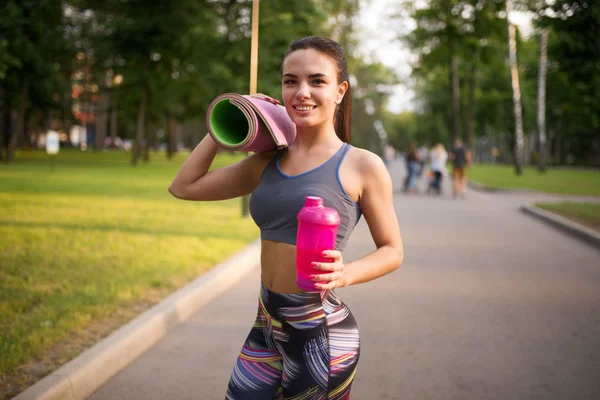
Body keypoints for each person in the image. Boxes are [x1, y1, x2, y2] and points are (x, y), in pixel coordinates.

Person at [168, 36, 404, 399]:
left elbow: (392, 250)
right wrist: (228, 123)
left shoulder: (362, 165)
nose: (301, 92)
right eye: (290, 80)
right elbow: (184, 186)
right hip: (267, 324)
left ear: (340, 91)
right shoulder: (267, 160)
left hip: (318, 333)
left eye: (317, 81)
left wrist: (347, 272)